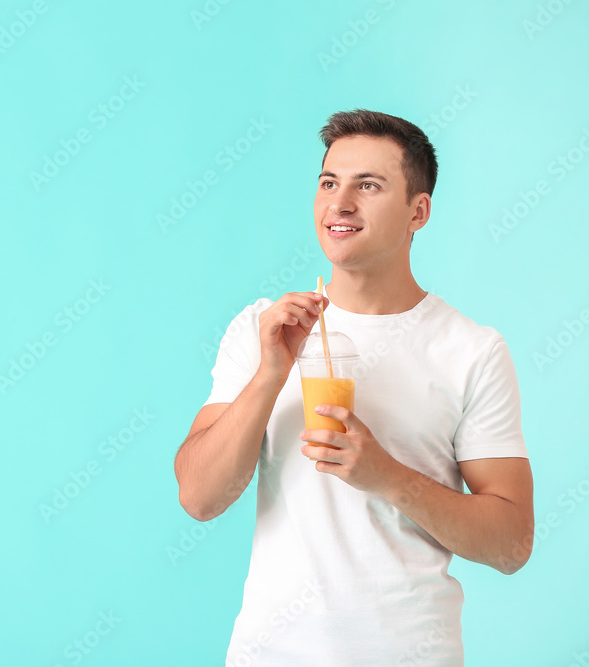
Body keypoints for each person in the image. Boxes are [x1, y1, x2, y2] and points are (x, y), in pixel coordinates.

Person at [173, 109, 534, 666]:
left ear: (419, 212)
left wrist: (387, 476)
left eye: (368, 185)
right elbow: (199, 496)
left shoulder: (472, 350)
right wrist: (272, 374)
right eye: (328, 182)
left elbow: (511, 544)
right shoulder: (262, 328)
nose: (339, 204)